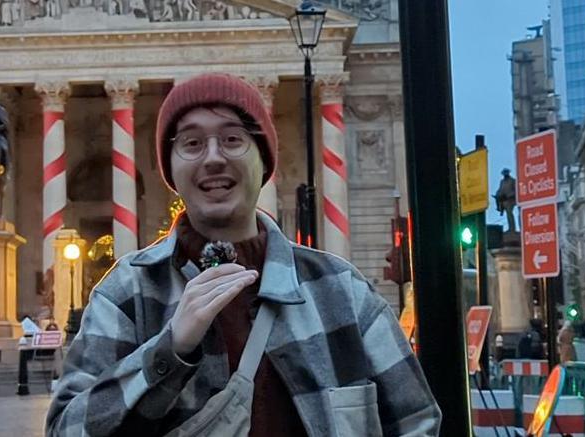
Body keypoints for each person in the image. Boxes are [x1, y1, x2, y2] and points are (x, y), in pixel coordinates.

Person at [46, 74, 441, 436]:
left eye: (233, 139)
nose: (213, 157)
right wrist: (168, 353)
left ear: (265, 160)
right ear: (170, 167)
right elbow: (66, 429)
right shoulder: (126, 293)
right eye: (191, 143)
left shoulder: (343, 292)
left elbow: (416, 422)